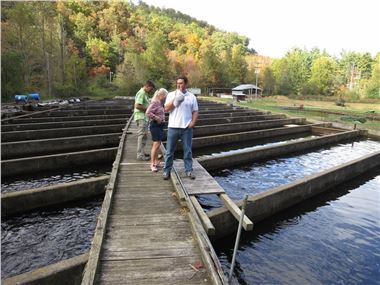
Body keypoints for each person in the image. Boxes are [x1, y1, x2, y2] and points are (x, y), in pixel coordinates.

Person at [162, 75, 199, 180]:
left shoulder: (191, 96)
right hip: (173, 127)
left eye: (181, 83)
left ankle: (189, 170)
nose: (179, 85)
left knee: (188, 150)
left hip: (186, 128)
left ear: (186, 84)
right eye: (178, 83)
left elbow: (195, 111)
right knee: (169, 151)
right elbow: (166, 108)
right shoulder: (171, 94)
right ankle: (166, 171)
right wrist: (176, 99)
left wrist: (192, 123)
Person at [145, 88, 168, 172]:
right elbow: (147, 112)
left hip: (160, 125)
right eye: (165, 96)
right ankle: (152, 164)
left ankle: (156, 161)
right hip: (155, 125)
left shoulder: (159, 102)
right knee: (156, 144)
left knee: (158, 144)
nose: (165, 98)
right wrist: (156, 117)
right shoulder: (155, 101)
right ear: (161, 95)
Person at [134, 80, 155, 161]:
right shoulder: (142, 93)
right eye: (151, 89)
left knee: (144, 136)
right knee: (142, 136)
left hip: (144, 117)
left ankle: (142, 152)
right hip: (141, 117)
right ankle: (140, 155)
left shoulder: (144, 93)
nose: (151, 91)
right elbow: (137, 105)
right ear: (147, 86)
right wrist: (148, 110)